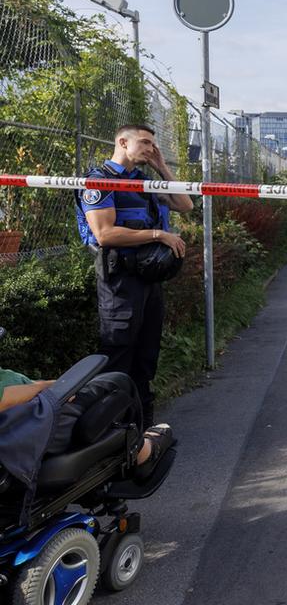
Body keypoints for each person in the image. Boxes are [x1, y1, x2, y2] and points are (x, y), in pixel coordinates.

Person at [76, 123, 193, 428]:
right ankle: (110, 431)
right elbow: (104, 234)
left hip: (148, 280)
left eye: (152, 144)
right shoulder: (98, 181)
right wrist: (158, 235)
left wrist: (163, 167)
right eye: (144, 143)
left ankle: (140, 428)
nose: (150, 149)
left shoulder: (143, 181)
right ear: (122, 142)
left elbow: (186, 205)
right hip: (120, 278)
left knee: (146, 355)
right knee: (118, 354)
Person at [0, 367, 175, 479]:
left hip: (22, 416)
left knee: (96, 384)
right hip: (25, 429)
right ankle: (143, 454)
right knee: (118, 384)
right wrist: (46, 388)